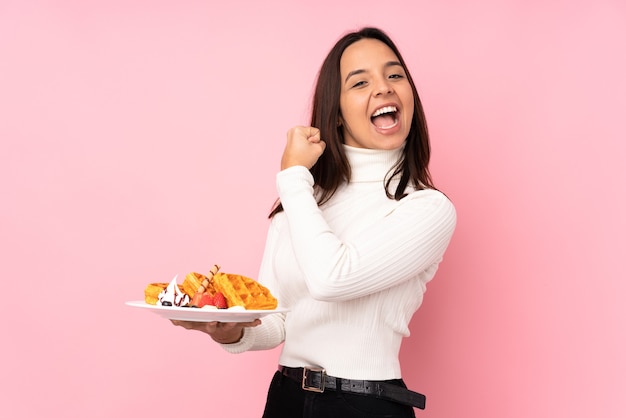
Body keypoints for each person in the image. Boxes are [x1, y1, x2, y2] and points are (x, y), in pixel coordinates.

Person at [173, 27, 456, 417]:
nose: (383, 89)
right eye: (361, 82)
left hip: (365, 405)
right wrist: (231, 330)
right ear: (336, 114)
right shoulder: (304, 200)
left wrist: (292, 177)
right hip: (286, 397)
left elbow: (331, 278)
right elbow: (276, 320)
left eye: (394, 75)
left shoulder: (427, 208)